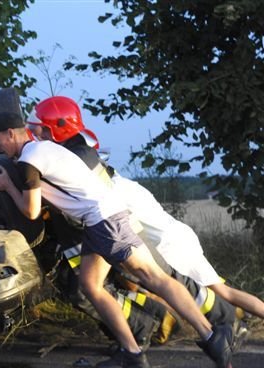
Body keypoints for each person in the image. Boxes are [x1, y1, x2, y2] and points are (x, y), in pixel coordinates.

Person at [0, 111, 233, 368]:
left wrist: (8, 186)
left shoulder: (29, 160)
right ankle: (132, 353)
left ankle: (211, 336)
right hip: (98, 221)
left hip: (104, 221)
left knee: (154, 278)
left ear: (11, 133)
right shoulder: (44, 149)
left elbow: (31, 212)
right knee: (90, 286)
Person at [28, 96, 264, 320]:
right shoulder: (106, 174)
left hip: (171, 245)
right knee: (202, 292)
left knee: (216, 293)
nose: (38, 134)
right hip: (171, 238)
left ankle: (229, 322)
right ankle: (228, 321)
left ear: (57, 127)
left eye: (42, 129)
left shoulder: (106, 187)